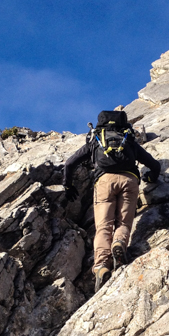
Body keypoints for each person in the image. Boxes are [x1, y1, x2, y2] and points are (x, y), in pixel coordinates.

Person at [63, 108, 161, 291]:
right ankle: (119, 243)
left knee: (103, 226)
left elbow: (69, 163)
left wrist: (68, 185)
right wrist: (151, 178)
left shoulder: (97, 140)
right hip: (129, 181)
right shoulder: (128, 140)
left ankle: (101, 267)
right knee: (124, 223)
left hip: (104, 182)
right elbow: (154, 164)